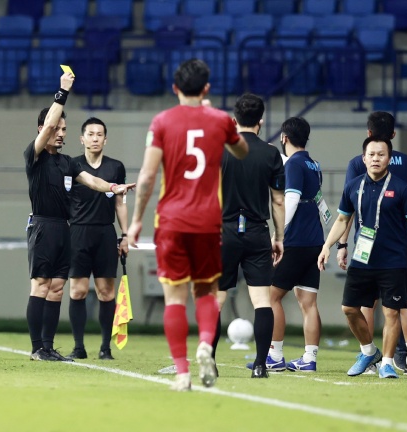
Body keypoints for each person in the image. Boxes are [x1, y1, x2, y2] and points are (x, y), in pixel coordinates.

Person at [127, 59, 249, 392]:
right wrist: (222, 124)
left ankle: (182, 373)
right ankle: (205, 345)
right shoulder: (221, 120)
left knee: (174, 298)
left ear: (175, 88)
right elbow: (241, 150)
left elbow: (149, 175)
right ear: (206, 88)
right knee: (207, 291)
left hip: (172, 220)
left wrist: (136, 220)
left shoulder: (163, 121)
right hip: (209, 222)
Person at [24, 73, 134, 362]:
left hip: (64, 228)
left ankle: (48, 347)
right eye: (56, 128)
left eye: (64, 129)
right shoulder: (34, 156)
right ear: (43, 130)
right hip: (43, 226)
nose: (60, 132)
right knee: (40, 285)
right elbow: (49, 122)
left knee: (58, 288)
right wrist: (62, 91)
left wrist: (113, 187)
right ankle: (37, 348)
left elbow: (92, 181)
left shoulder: (66, 162)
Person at [318, 137, 407, 379]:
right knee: (349, 308)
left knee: (391, 312)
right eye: (372, 154)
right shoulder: (353, 186)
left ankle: (387, 363)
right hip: (362, 260)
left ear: (389, 158)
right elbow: (341, 220)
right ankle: (369, 351)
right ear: (364, 158)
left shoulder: (402, 188)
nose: (376, 158)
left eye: (381, 154)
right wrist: (328, 246)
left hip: (394, 261)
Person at [212, 93, 285, 379]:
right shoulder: (271, 154)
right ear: (261, 121)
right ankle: (260, 365)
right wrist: (279, 237)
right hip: (257, 231)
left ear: (233, 120)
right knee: (261, 301)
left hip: (223, 231)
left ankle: (211, 362)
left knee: (215, 300)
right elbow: (278, 201)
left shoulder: (219, 150)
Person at [66, 117, 129, 361]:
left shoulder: (116, 167)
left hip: (105, 233)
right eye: (90, 134)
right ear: (82, 139)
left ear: (105, 139)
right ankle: (78, 347)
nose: (94, 138)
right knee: (78, 291)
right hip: (78, 233)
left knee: (106, 293)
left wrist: (124, 235)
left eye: (99, 134)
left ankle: (105, 348)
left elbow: (121, 203)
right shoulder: (72, 165)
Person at [267, 117, 325, 372]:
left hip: (295, 241)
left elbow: (290, 200)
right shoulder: (315, 165)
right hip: (315, 241)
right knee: (308, 302)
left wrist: (278, 235)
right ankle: (309, 358)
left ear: (284, 137)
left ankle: (275, 355)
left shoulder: (293, 164)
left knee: (271, 296)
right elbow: (322, 205)